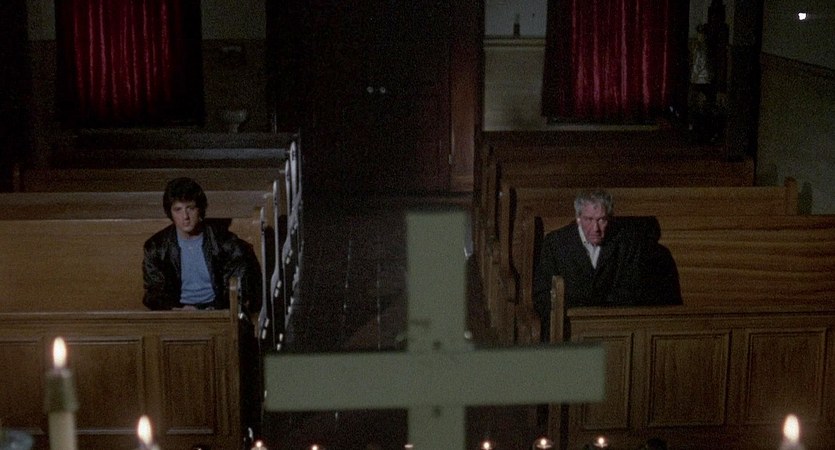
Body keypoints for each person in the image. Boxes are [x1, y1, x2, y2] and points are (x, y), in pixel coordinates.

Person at [142, 176, 263, 442]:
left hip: (217, 312)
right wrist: (177, 309)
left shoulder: (225, 242)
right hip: (177, 315)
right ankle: (177, 428)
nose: (185, 216)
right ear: (170, 213)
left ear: (200, 210)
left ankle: (235, 427)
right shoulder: (157, 246)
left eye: (190, 208)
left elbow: (239, 287)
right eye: (178, 209)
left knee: (234, 356)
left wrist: (212, 311)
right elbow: (153, 293)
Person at [532, 189, 681, 341]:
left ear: (609, 218)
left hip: (614, 330)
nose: (595, 228)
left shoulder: (627, 244)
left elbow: (632, 289)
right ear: (578, 218)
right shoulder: (555, 243)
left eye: (601, 220)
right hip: (569, 328)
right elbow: (542, 293)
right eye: (589, 219)